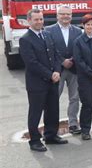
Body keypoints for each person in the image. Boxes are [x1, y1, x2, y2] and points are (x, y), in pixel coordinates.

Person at [19, 9, 67, 152]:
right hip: (37, 83)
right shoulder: (25, 39)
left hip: (53, 80)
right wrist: (50, 74)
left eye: (41, 19)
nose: (39, 22)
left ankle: (51, 135)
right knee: (35, 112)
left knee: (53, 109)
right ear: (29, 21)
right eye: (36, 20)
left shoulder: (47, 35)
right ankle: (34, 140)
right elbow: (31, 63)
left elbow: (56, 55)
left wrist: (58, 71)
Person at [45, 5, 82, 135]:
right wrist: (62, 61)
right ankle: (51, 126)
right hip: (57, 70)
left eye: (68, 14)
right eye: (62, 14)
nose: (66, 16)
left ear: (71, 16)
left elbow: (79, 49)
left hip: (74, 69)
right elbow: (50, 50)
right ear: (57, 16)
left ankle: (73, 123)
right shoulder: (48, 31)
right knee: (53, 98)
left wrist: (72, 60)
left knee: (75, 98)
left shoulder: (78, 31)